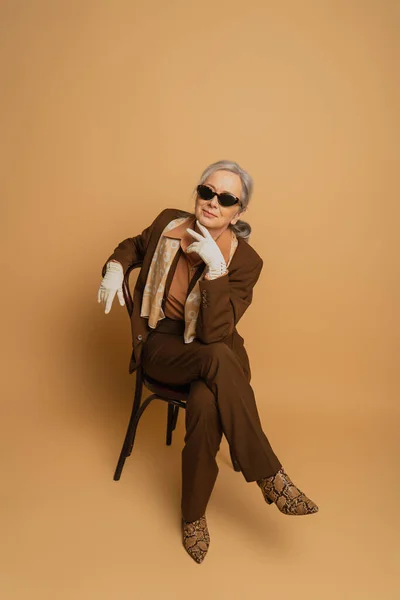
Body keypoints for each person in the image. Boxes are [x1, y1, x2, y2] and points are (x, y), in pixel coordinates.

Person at [97, 160, 319, 564]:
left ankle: (192, 517)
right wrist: (115, 265)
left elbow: (216, 334)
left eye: (227, 198)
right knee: (216, 360)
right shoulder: (169, 223)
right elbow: (135, 245)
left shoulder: (245, 262)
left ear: (239, 211)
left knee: (204, 400)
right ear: (198, 193)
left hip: (212, 352)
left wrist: (216, 268)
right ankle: (270, 477)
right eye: (207, 191)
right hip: (163, 345)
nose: (213, 202)